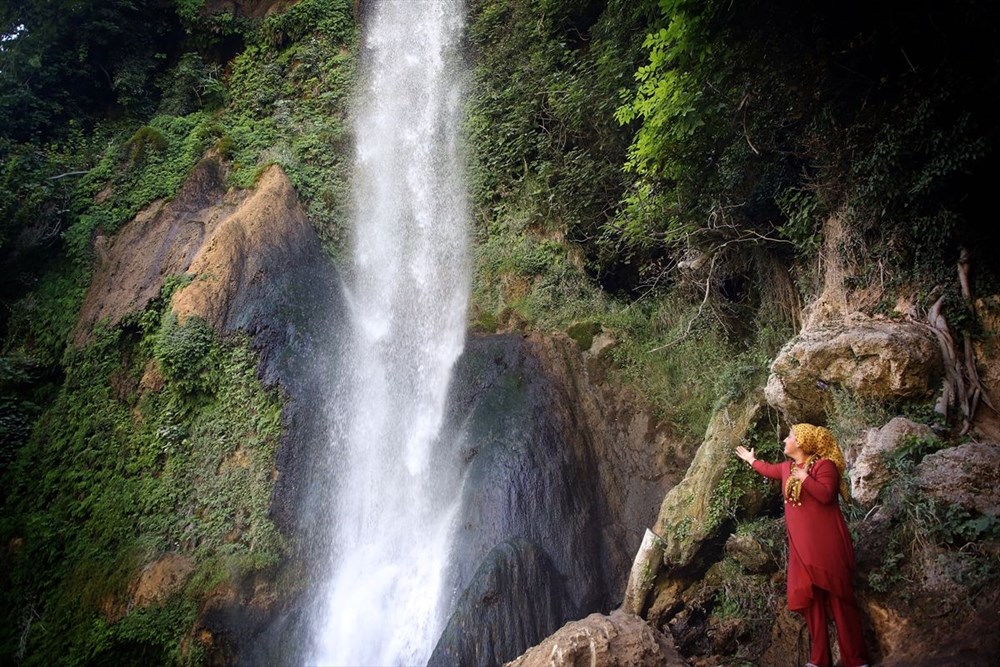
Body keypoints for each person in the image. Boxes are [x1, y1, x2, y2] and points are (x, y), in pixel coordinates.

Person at [735, 423, 870, 667]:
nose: (785, 440)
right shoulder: (786, 468)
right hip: (801, 548)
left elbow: (826, 495)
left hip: (826, 544)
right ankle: (819, 660)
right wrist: (751, 460)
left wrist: (806, 478)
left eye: (789, 436)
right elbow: (769, 469)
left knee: (840, 599)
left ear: (801, 442)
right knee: (811, 603)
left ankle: (855, 659)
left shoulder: (824, 466)